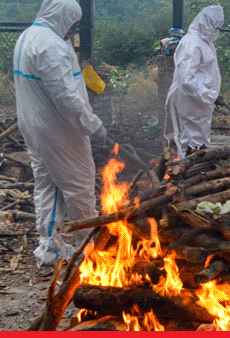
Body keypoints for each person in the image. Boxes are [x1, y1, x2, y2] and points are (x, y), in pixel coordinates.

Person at [13, 0, 106, 266]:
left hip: (35, 126)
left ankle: (51, 250)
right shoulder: (50, 45)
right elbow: (66, 96)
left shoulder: (30, 36)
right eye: (72, 24)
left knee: (48, 186)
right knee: (79, 187)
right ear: (63, 17)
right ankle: (90, 252)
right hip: (59, 131)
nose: (73, 30)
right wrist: (93, 126)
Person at [165, 5, 224, 158]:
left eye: (219, 27)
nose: (216, 31)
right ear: (204, 23)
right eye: (214, 26)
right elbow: (187, 79)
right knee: (195, 140)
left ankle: (189, 171)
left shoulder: (204, 42)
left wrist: (211, 94)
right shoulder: (193, 43)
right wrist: (210, 95)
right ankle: (192, 173)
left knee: (195, 137)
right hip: (192, 100)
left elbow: (204, 73)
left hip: (198, 100)